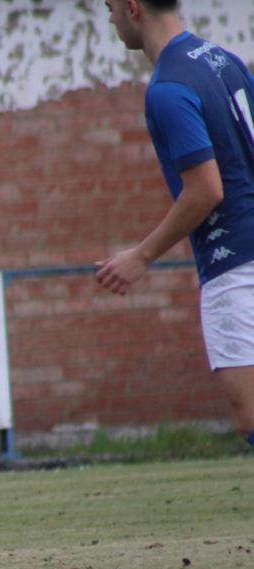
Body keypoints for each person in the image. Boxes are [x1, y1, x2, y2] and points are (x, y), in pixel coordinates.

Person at [98, 0, 254, 451]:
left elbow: (206, 189)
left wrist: (141, 255)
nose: (109, 18)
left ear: (133, 7)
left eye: (109, 6)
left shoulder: (168, 87)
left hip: (235, 264)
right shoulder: (223, 60)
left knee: (250, 414)